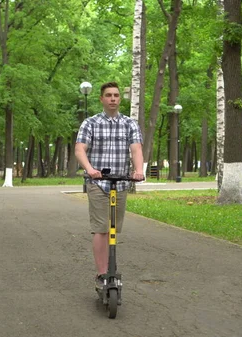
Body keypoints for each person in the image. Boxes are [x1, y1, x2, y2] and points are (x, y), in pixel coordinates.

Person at [75, 82, 144, 291]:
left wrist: (138, 170)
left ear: (119, 99)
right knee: (101, 229)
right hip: (98, 183)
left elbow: (136, 150)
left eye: (115, 95)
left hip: (121, 182)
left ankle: (110, 269)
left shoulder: (129, 124)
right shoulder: (90, 123)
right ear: (101, 99)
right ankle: (101, 272)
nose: (113, 98)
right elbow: (80, 149)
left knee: (114, 228)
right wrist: (90, 169)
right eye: (108, 95)